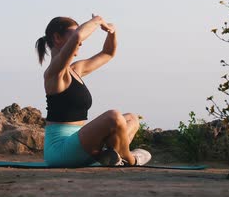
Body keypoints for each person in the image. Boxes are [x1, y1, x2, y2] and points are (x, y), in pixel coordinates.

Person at [35, 15, 152, 167]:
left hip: (81, 144)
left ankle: (112, 156)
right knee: (113, 116)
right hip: (60, 151)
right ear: (57, 38)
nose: (81, 43)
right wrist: (97, 20)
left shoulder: (76, 70)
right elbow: (77, 37)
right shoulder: (53, 73)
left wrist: (111, 31)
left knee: (131, 118)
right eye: (75, 31)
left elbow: (108, 53)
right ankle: (131, 159)